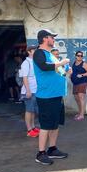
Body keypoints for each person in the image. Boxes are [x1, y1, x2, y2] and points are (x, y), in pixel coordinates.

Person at [33, 29, 71, 165]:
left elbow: (58, 71)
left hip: (56, 95)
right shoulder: (39, 53)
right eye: (52, 37)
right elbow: (44, 67)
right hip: (46, 96)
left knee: (54, 125)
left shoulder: (50, 54)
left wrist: (66, 69)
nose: (54, 39)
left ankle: (52, 149)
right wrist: (61, 63)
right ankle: (40, 153)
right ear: (44, 39)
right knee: (46, 125)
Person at [20, 45, 39, 138]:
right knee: (28, 110)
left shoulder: (34, 62)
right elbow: (25, 78)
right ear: (29, 52)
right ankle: (29, 130)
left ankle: (33, 127)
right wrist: (28, 91)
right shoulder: (26, 63)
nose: (36, 51)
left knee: (33, 110)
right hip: (29, 90)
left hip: (35, 90)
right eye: (34, 50)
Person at [71, 51, 87, 121]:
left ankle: (82, 115)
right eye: (78, 55)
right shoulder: (74, 63)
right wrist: (71, 75)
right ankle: (80, 112)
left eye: (81, 56)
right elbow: (73, 71)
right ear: (75, 56)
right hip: (75, 83)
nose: (80, 57)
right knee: (77, 98)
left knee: (81, 97)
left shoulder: (84, 64)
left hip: (82, 82)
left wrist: (82, 75)